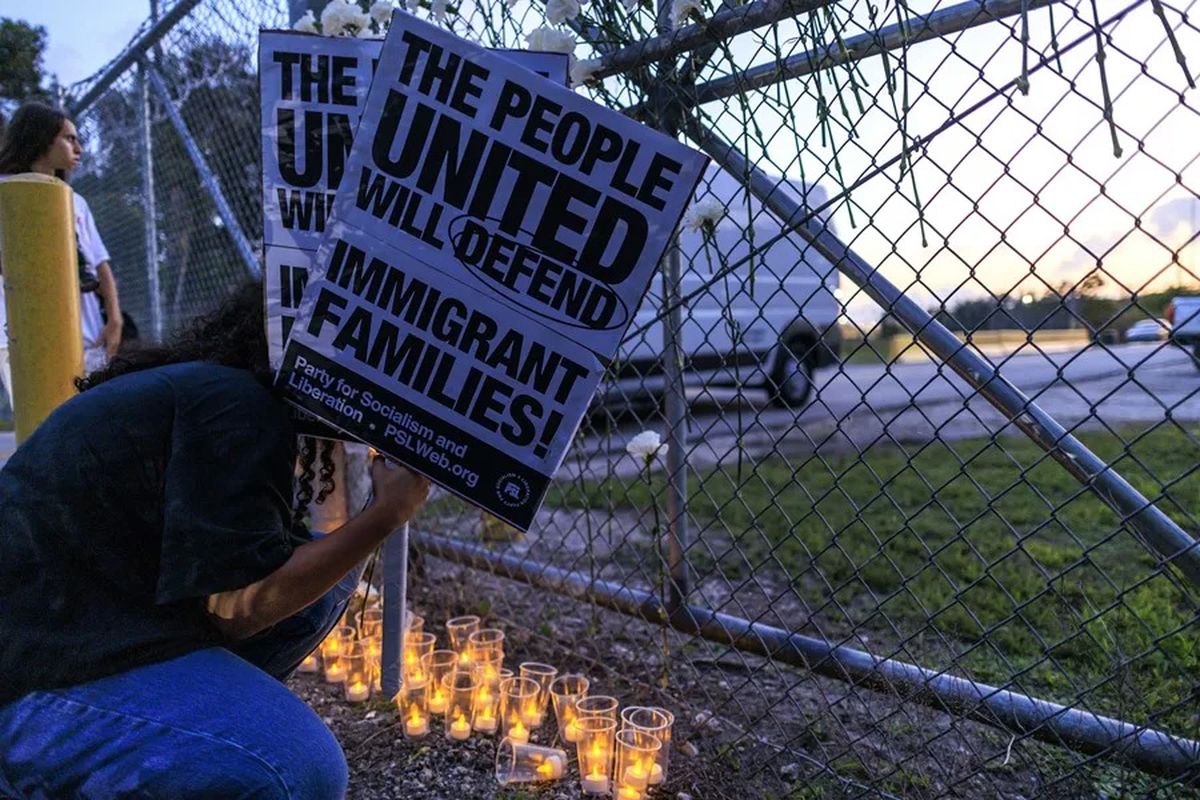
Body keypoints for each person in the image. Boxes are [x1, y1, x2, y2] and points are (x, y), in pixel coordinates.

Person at [0, 281, 431, 798]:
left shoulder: (220, 393)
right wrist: (385, 515)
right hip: (31, 682)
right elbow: (238, 605)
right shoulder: (236, 405)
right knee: (299, 768)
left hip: (78, 631)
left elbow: (269, 584)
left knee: (320, 594)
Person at [0, 101, 125, 401]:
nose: (78, 148)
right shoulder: (5, 192)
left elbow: (100, 264)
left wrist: (114, 319)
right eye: (69, 138)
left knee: (84, 410)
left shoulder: (75, 201)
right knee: (39, 413)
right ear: (41, 139)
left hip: (81, 327)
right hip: (17, 327)